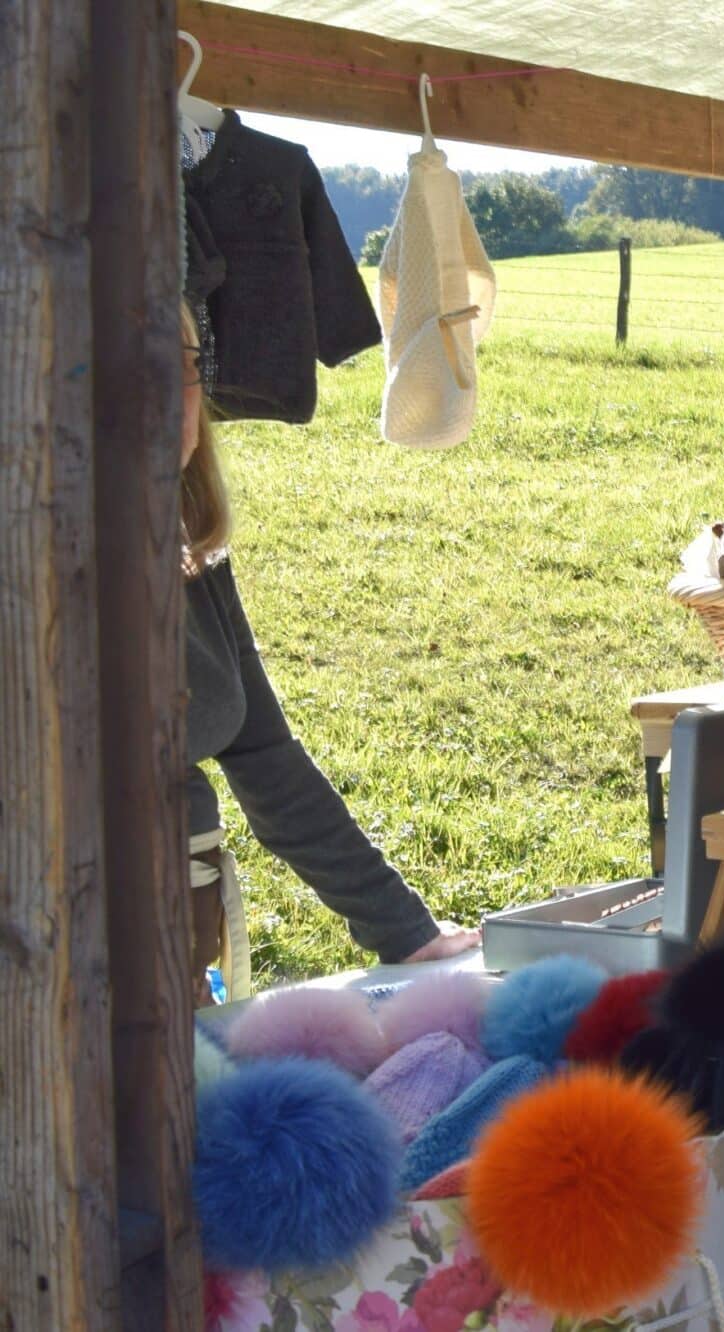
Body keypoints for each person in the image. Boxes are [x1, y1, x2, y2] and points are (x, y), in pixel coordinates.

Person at [179, 306, 476, 999]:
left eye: (185, 366)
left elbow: (266, 760)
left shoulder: (188, 540)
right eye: (133, 367)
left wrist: (406, 933)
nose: (168, 395)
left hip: (171, 943)